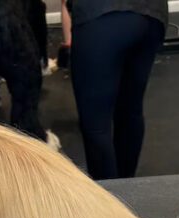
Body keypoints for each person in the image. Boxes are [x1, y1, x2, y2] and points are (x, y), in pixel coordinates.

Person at [68, 0, 168, 180]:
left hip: (102, 15)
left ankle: (109, 200)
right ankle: (125, 188)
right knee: (130, 110)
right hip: (151, 15)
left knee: (96, 126)